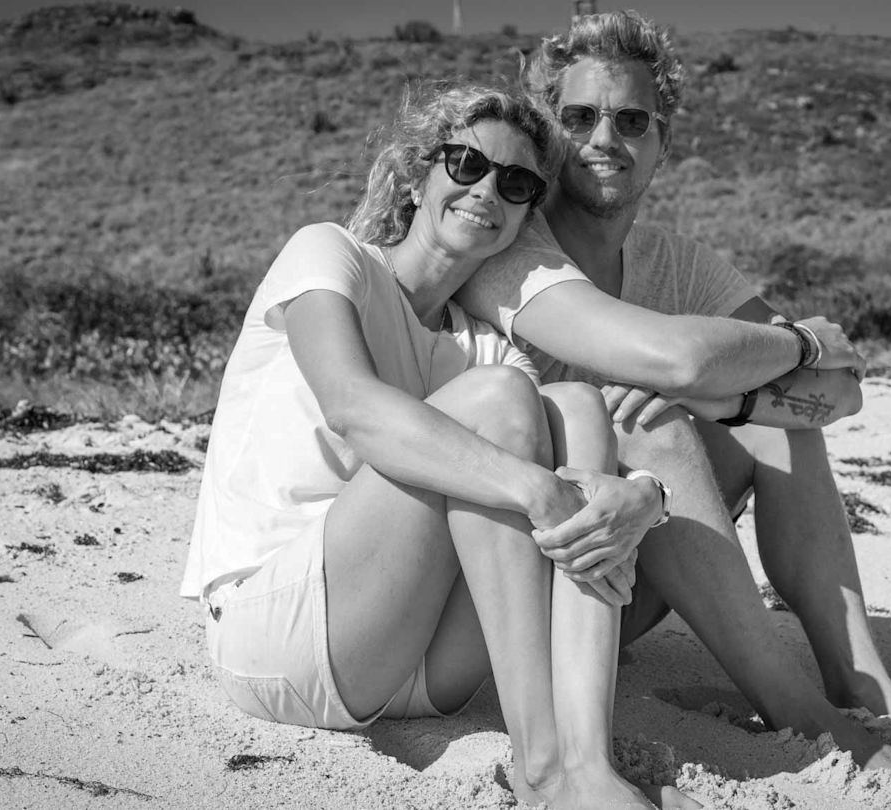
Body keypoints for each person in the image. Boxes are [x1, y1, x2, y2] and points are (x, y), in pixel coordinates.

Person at [181, 83, 697, 809]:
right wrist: (532, 489)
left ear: (526, 214)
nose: (488, 190)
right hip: (281, 631)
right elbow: (353, 408)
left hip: (422, 672)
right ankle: (545, 766)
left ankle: (584, 761)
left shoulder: (484, 343)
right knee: (500, 404)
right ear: (417, 173)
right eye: (465, 164)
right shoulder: (331, 257)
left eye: (517, 184)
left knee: (573, 405)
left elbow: (572, 443)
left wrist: (646, 496)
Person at [456, 12, 891, 768]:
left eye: (632, 119)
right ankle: (793, 706)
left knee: (774, 420)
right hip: (514, 594)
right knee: (651, 420)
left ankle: (858, 677)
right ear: (548, 131)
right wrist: (796, 343)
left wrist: (732, 397)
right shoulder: (513, 248)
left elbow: (841, 394)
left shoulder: (676, 260)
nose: (606, 139)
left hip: (623, 568)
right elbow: (675, 360)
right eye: (579, 117)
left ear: (662, 143)